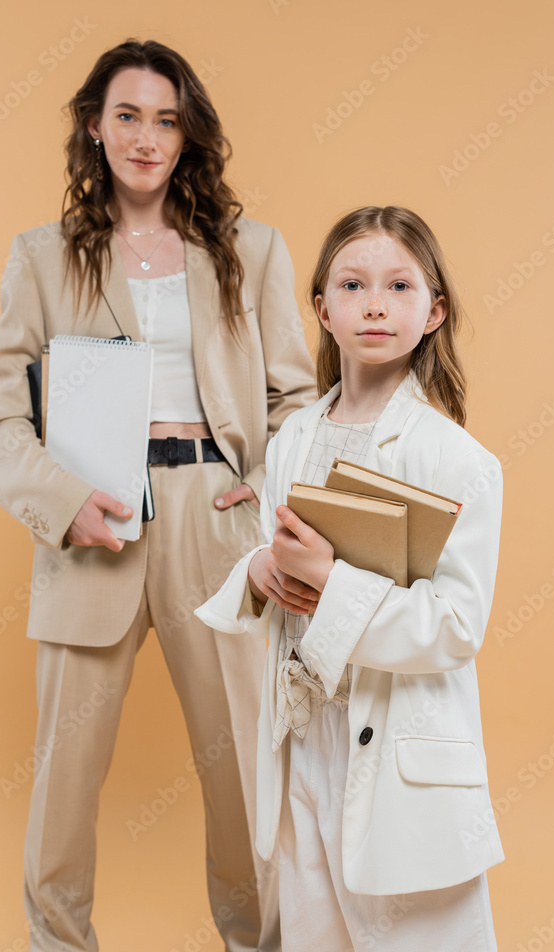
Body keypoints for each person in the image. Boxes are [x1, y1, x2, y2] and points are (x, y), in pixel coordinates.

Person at [0, 39, 315, 952]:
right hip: (94, 521)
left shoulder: (252, 250)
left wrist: (258, 485)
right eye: (127, 115)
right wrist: (63, 501)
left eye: (166, 119)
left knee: (242, 766)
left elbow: (296, 403)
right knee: (62, 780)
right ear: (95, 126)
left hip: (218, 516)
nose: (147, 137)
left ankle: (260, 942)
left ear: (187, 132)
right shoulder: (40, 259)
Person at [196, 205, 505, 951]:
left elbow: (455, 627)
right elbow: (274, 554)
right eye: (352, 284)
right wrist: (262, 571)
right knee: (315, 934)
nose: (374, 303)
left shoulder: (457, 459)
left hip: (403, 752)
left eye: (399, 286)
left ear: (433, 312)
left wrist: (331, 581)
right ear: (321, 310)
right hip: (305, 742)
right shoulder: (296, 436)